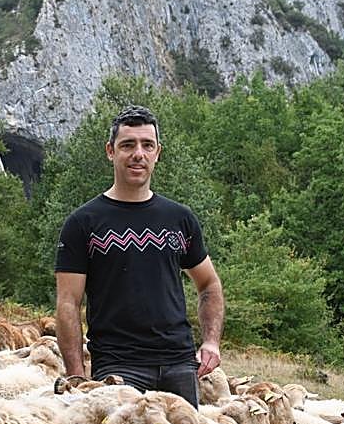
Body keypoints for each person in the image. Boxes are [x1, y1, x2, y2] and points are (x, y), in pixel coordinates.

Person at [54, 105, 224, 408]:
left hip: (179, 364)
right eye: (128, 145)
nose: (138, 154)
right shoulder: (83, 222)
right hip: (118, 368)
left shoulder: (179, 218)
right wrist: (77, 377)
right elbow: (68, 303)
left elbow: (209, 284)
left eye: (147, 145)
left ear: (158, 152)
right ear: (110, 151)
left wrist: (210, 341)